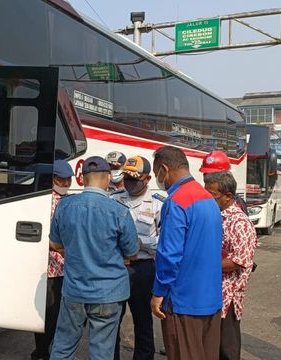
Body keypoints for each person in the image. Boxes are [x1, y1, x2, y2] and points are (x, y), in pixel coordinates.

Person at [50, 156, 139, 360]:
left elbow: (55, 243)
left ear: (82, 178)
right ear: (108, 178)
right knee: (101, 352)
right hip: (108, 293)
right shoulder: (119, 212)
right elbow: (132, 252)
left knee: (63, 347)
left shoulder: (64, 206)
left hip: (74, 290)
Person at [150, 146, 223, 360]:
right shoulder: (208, 199)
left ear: (164, 169)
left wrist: (158, 292)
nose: (158, 179)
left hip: (183, 301)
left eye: (157, 174)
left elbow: (169, 255)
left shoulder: (177, 201)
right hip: (210, 298)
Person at [110, 156, 162, 360]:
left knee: (142, 320)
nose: (130, 183)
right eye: (127, 179)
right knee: (112, 318)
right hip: (117, 267)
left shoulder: (158, 205)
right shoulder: (114, 200)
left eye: (135, 179)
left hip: (143, 268)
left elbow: (165, 242)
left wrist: (142, 244)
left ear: (147, 179)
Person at [204, 171, 258, 360]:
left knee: (226, 349)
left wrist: (202, 265)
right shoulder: (214, 216)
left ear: (228, 196)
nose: (208, 199)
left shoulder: (239, 223)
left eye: (212, 195)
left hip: (227, 296)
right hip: (209, 292)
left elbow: (238, 261)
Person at [31, 159, 73, 360]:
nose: (64, 184)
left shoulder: (70, 201)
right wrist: (57, 246)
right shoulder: (43, 201)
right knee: (48, 315)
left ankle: (46, 351)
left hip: (65, 268)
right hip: (49, 268)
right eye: (61, 179)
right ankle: (41, 352)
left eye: (67, 180)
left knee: (58, 315)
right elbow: (39, 232)